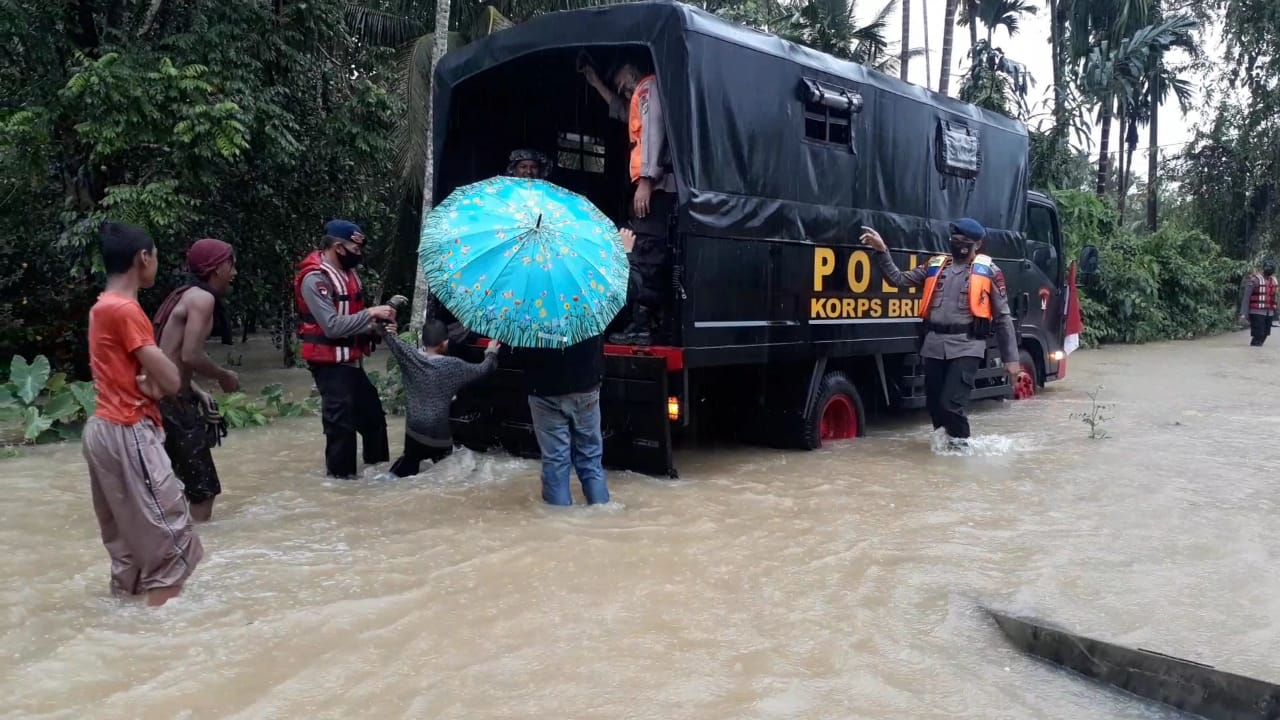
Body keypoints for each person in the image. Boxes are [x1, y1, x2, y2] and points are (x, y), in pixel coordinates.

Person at [83, 221, 203, 606]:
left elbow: (141, 373)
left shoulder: (101, 306)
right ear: (143, 257)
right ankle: (165, 645)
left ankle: (129, 631)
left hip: (103, 427)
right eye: (156, 258)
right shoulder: (125, 310)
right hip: (128, 428)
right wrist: (156, 379)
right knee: (171, 543)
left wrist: (149, 379)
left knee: (130, 550)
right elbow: (169, 378)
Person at [861, 219, 1022, 447]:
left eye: (964, 241)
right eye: (954, 240)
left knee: (951, 404)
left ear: (978, 244)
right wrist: (882, 251)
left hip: (967, 345)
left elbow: (1003, 317)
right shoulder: (935, 267)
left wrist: (1011, 359)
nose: (958, 245)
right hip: (934, 345)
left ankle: (961, 450)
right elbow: (898, 279)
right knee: (935, 405)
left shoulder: (989, 272)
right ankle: (944, 451)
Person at [581, 54, 674, 346]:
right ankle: (646, 319)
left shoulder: (649, 88)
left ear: (632, 72)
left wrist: (646, 180)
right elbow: (624, 112)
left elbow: (652, 132)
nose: (623, 91)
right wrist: (596, 84)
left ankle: (644, 324)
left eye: (622, 84)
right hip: (658, 186)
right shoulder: (640, 94)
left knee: (646, 251)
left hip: (656, 187)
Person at [294, 219, 398, 478]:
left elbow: (353, 320)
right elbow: (331, 327)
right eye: (355, 248)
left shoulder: (348, 274)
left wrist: (377, 328)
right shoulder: (315, 279)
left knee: (374, 420)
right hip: (331, 368)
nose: (359, 254)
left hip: (353, 364)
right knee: (342, 432)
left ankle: (379, 477)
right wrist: (372, 312)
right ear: (339, 247)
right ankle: (342, 487)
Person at [152, 238, 240, 521]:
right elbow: (190, 355)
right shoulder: (203, 299)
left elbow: (169, 356)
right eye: (231, 264)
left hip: (161, 397)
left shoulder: (182, 294)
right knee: (203, 490)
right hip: (173, 404)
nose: (234, 272)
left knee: (170, 486)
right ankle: (197, 553)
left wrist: (199, 391)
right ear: (216, 269)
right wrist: (223, 375)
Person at [380, 320, 501, 477]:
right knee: (446, 476)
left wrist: (388, 326)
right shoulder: (455, 366)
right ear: (445, 343)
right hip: (440, 439)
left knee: (402, 473)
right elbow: (484, 370)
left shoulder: (410, 358)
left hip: (415, 435)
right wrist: (491, 352)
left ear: (423, 341)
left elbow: (390, 338)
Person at [519, 334, 610, 506]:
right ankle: (602, 512)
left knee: (555, 461)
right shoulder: (585, 309)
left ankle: (559, 522)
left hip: (544, 391)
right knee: (590, 458)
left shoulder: (528, 315)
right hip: (586, 388)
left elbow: (516, 355)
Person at [1240, 259, 1277, 347]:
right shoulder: (1254, 280)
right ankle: (1253, 351)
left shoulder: (1273, 280)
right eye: (1267, 267)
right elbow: (1246, 297)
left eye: (1271, 268)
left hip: (1269, 312)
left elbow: (1275, 298)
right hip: (1256, 312)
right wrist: (1243, 314)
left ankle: (1256, 350)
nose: (1268, 269)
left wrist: (1277, 313)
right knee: (1258, 334)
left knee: (1265, 334)